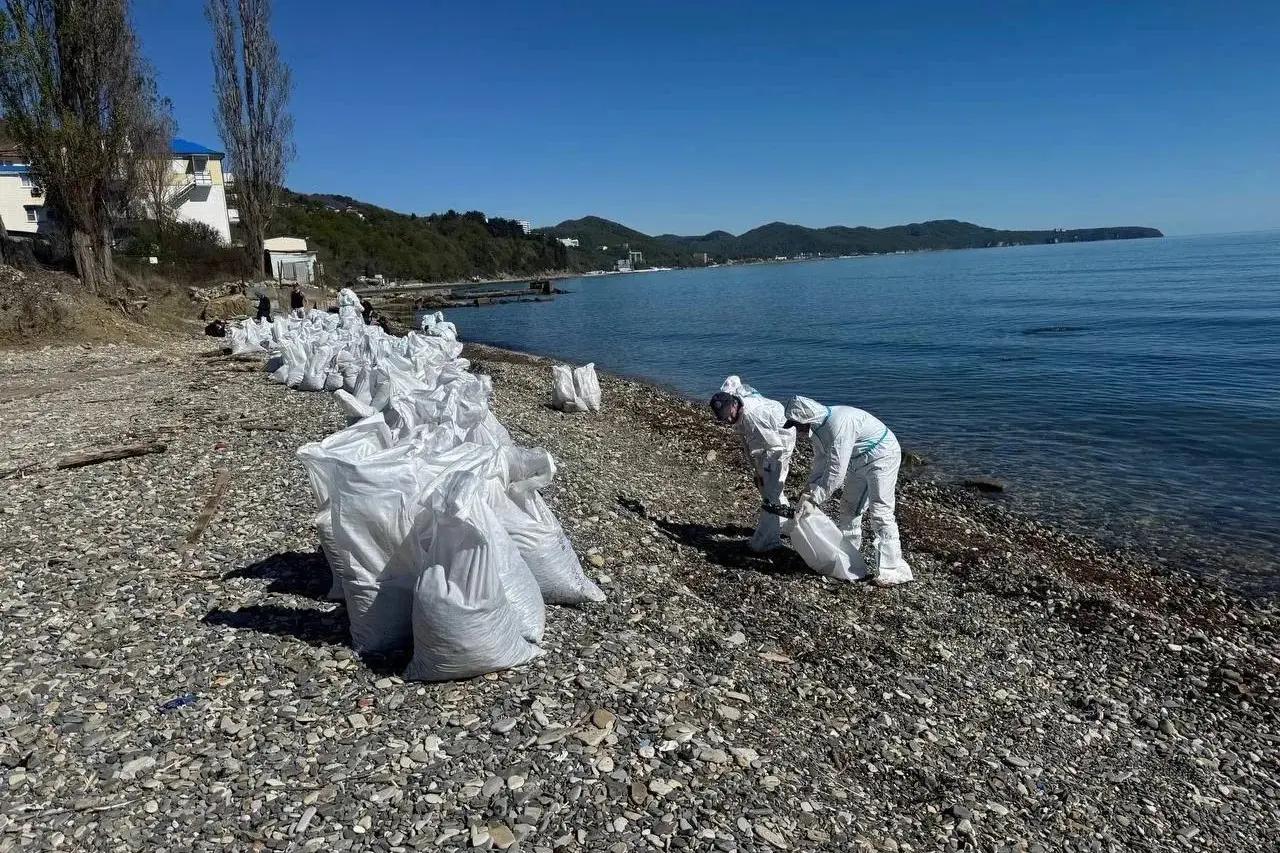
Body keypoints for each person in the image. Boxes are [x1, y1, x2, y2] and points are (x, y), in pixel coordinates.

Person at [784, 395, 912, 581]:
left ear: (807, 418)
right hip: (857, 461)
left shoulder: (838, 425)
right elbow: (821, 463)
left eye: (797, 424)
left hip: (882, 456)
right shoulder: (818, 429)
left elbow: (836, 473)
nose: (797, 429)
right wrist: (808, 490)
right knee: (849, 508)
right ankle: (849, 558)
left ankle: (892, 570)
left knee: (880, 511)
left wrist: (815, 499)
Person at [709, 376, 796, 551]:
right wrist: (757, 472)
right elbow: (746, 443)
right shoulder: (735, 406)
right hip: (767, 439)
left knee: (770, 491)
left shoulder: (754, 417)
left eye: (728, 415)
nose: (727, 421)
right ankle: (785, 523)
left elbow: (775, 448)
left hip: (781, 439)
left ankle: (770, 541)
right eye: (723, 418)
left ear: (734, 405)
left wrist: (766, 473)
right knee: (764, 485)